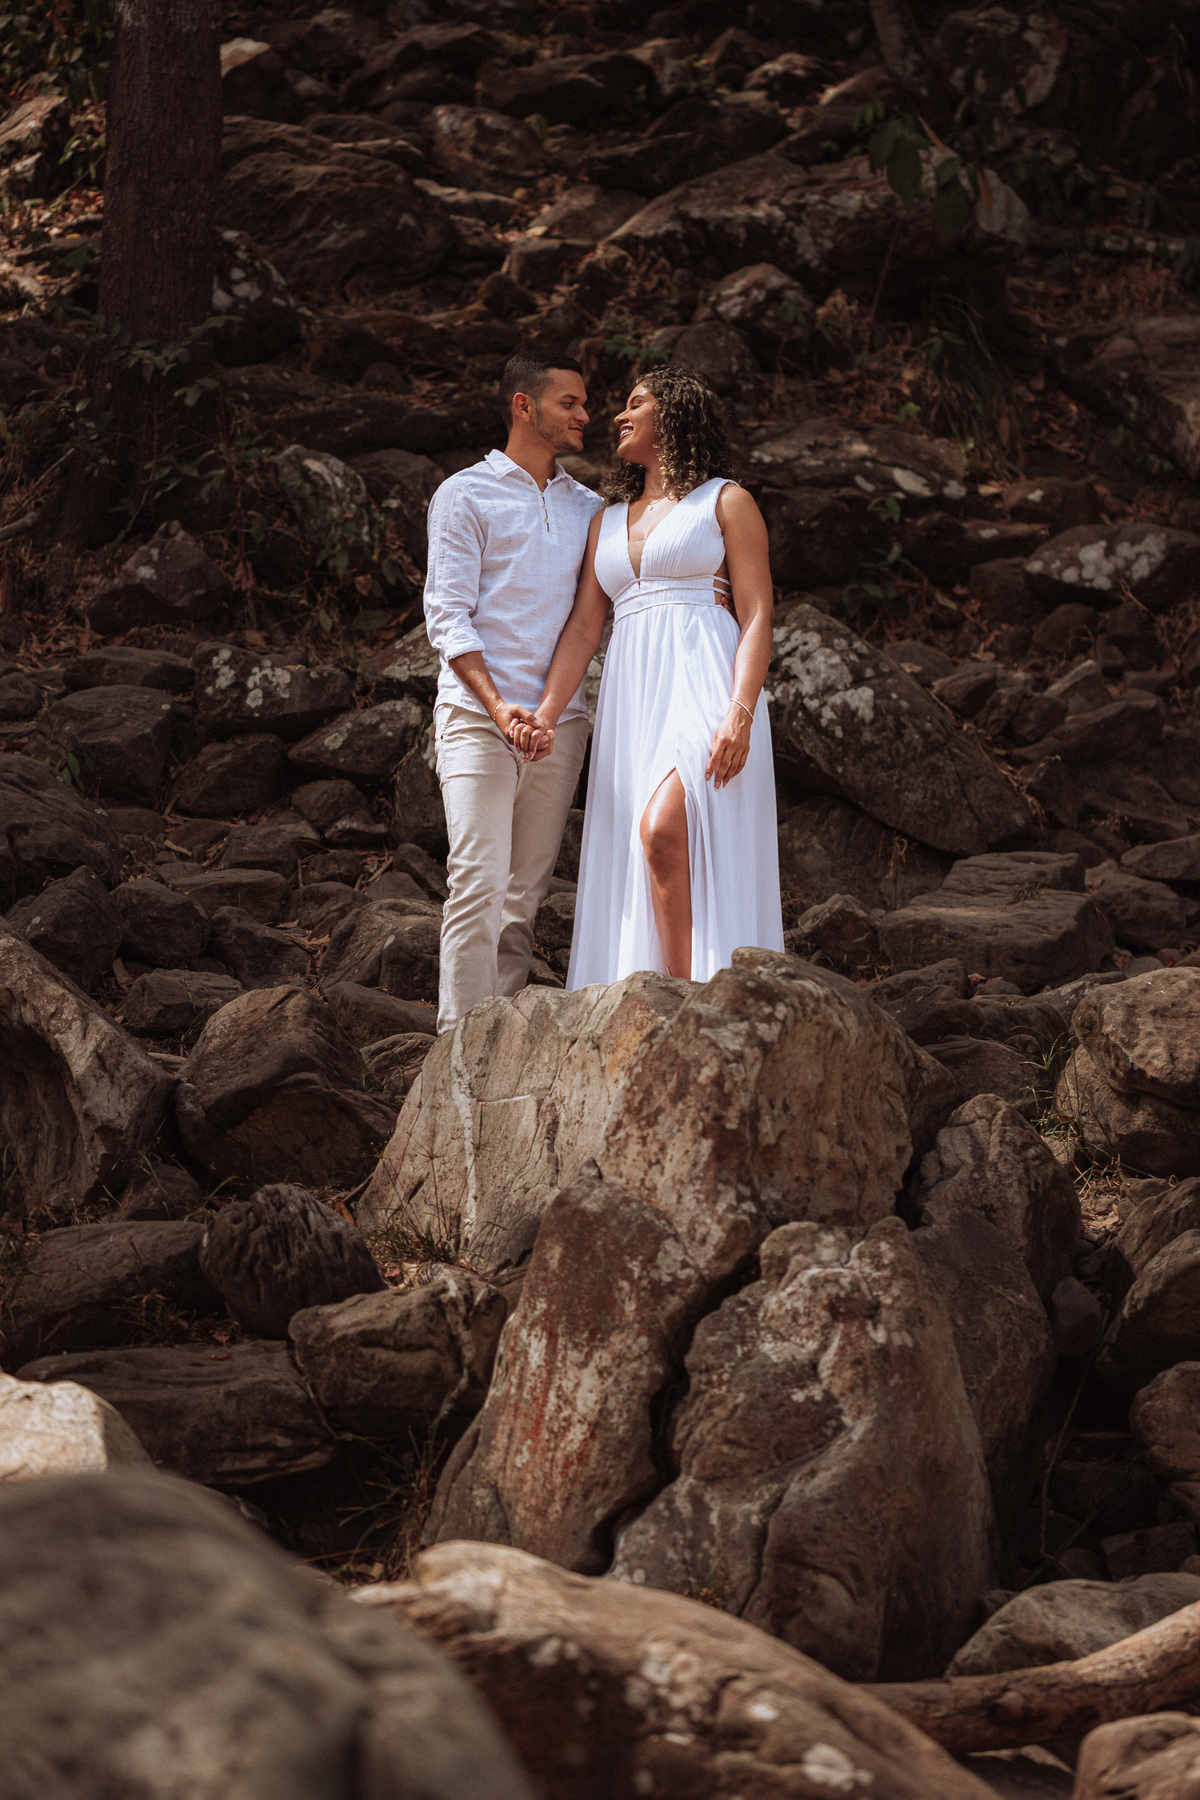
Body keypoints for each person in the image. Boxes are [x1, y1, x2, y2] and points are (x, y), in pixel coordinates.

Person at [513, 364, 783, 987]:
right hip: (634, 697)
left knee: (663, 829)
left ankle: (692, 997)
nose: (618, 415)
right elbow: (584, 630)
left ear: (675, 415)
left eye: (636, 403)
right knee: (647, 849)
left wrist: (741, 710)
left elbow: (758, 614)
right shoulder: (604, 520)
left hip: (706, 683)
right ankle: (658, 992)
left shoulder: (725, 501)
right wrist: (547, 713)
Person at [423, 349, 603, 1033]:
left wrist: (545, 715)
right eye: (569, 402)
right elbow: (447, 616)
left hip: (559, 723)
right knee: (477, 880)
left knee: (523, 896)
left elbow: (590, 622)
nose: (585, 415)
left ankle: (498, 1046)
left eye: (584, 403)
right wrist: (501, 709)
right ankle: (456, 1050)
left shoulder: (591, 509)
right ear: (524, 406)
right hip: (477, 715)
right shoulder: (464, 494)